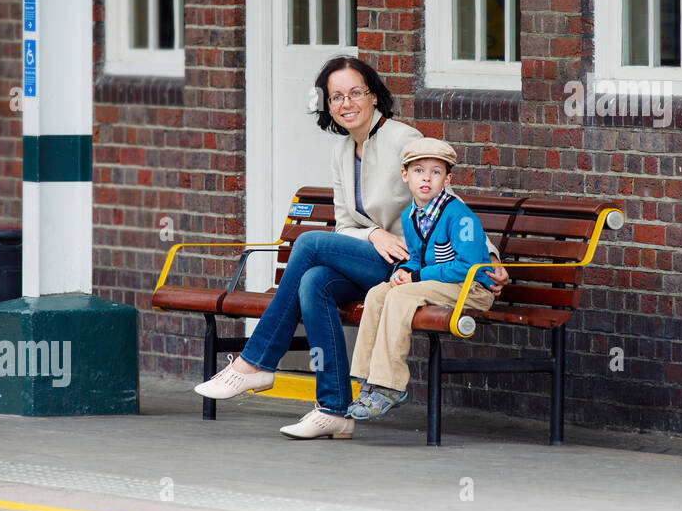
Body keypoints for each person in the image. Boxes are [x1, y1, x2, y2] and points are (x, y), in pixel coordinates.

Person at [192, 56, 508, 439]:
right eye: (336, 96)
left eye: (356, 93)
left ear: (374, 96)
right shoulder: (341, 153)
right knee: (314, 282)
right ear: (328, 105)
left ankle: (257, 361)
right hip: (375, 261)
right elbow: (346, 224)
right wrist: (374, 234)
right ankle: (334, 409)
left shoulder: (403, 140)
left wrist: (489, 257)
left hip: (411, 267)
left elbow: (448, 201)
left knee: (308, 243)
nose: (347, 103)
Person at [347, 137, 497, 421]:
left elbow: (468, 268)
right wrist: (404, 273)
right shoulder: (409, 216)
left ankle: (390, 386)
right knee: (379, 293)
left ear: (447, 178)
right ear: (405, 175)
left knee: (401, 296)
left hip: (472, 289)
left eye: (436, 172)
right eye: (418, 170)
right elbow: (418, 259)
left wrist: (415, 276)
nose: (426, 178)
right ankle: (368, 380)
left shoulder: (459, 216)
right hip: (440, 285)